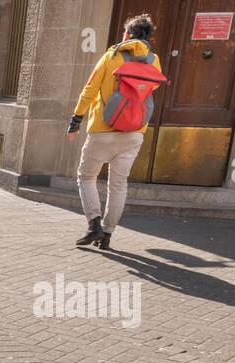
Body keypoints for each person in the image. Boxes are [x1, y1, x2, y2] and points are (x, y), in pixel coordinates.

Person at [68, 13, 162, 251]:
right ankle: (108, 235)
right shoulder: (154, 60)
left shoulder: (112, 55)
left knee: (86, 177)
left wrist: (76, 120)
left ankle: (93, 225)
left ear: (127, 34)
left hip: (103, 129)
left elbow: (89, 89)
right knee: (118, 184)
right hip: (134, 132)